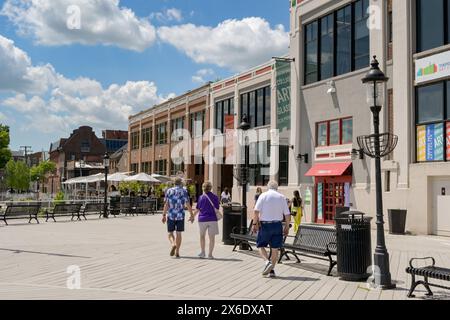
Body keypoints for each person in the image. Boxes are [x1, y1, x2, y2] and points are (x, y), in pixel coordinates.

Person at [253, 181, 291, 278]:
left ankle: (267, 262)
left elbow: (256, 211)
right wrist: (287, 226)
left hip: (265, 225)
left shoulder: (263, 195)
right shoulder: (281, 197)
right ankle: (272, 270)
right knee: (275, 249)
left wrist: (254, 223)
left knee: (260, 245)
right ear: (277, 188)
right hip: (277, 225)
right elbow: (287, 214)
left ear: (268, 187)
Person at [162, 177, 194, 258]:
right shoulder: (184, 191)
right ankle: (177, 252)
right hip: (180, 215)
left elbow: (166, 204)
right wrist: (192, 215)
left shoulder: (169, 191)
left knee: (170, 233)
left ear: (174, 183)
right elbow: (187, 204)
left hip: (171, 215)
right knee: (179, 233)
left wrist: (164, 215)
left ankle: (173, 244)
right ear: (181, 183)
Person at [193, 181, 220, 259]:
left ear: (203, 188)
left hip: (202, 219)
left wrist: (192, 217)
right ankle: (210, 254)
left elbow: (197, 209)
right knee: (212, 238)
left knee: (202, 236)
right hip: (212, 219)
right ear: (211, 188)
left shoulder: (201, 197)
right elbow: (217, 208)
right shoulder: (215, 197)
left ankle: (202, 252)